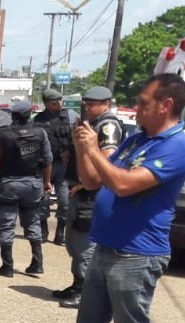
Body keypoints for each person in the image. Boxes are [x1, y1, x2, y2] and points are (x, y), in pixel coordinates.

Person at [41, 74, 185, 323]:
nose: (136, 109)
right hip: (106, 247)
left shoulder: (176, 144)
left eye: (143, 103)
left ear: (166, 105)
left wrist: (92, 150)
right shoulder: (137, 140)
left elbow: (122, 185)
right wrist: (81, 145)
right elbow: (92, 180)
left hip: (137, 255)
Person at [54, 86, 126, 309]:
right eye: (87, 102)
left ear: (106, 104)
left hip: (93, 195)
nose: (88, 106)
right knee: (74, 244)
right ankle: (78, 285)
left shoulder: (107, 125)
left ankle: (87, 293)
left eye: (93, 103)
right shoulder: (92, 124)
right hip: (82, 190)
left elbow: (108, 160)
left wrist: (86, 182)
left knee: (85, 245)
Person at [0, 100, 52, 277]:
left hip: (8, 184)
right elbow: (48, 161)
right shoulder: (40, 133)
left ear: (13, 116)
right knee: (33, 221)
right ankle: (37, 263)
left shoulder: (2, 134)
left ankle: (7, 267)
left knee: (6, 224)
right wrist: (47, 182)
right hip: (33, 184)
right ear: (30, 114)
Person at [33, 89, 75, 246]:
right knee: (42, 201)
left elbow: (77, 139)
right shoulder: (38, 119)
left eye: (60, 100)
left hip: (63, 166)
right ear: (46, 104)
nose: (59, 104)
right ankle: (43, 231)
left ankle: (60, 233)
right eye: (54, 101)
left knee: (65, 203)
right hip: (44, 167)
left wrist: (70, 152)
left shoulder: (70, 117)